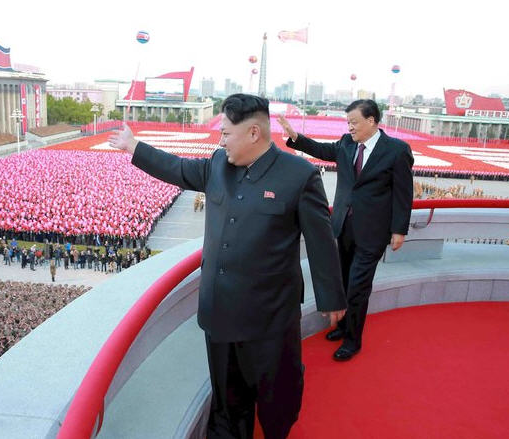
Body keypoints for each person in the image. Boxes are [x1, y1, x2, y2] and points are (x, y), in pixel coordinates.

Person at [109, 93, 346, 439]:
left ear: (253, 133)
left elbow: (321, 241)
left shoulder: (299, 175)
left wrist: (331, 297)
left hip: (270, 317)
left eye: (226, 133)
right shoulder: (218, 164)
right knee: (227, 399)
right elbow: (177, 168)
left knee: (277, 398)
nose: (220, 141)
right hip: (220, 311)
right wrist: (134, 147)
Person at [278, 99, 414, 361]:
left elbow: (403, 193)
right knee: (341, 281)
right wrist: (295, 137)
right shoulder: (346, 143)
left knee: (358, 287)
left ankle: (352, 340)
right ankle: (341, 327)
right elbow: (322, 150)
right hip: (343, 226)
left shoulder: (397, 150)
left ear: (371, 121)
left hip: (373, 232)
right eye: (348, 122)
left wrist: (399, 230)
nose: (349, 127)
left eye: (354, 122)